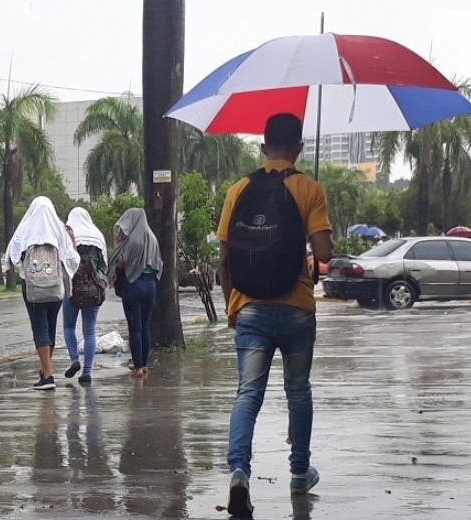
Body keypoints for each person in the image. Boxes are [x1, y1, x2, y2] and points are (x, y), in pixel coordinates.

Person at [216, 113, 333, 517]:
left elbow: (224, 259)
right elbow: (324, 254)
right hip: (297, 307)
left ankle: (238, 473)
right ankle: (299, 473)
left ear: (264, 147)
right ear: (299, 147)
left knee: (248, 393)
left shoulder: (239, 189)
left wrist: (235, 306)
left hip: (249, 308)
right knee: (298, 391)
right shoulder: (308, 188)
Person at [6, 196, 79, 391]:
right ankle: (45, 369)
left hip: (33, 288)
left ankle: (48, 375)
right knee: (50, 327)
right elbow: (73, 258)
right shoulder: (58, 229)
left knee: (39, 327)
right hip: (55, 288)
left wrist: (21, 265)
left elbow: (12, 254)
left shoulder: (25, 228)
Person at [107, 208, 162, 379]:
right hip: (150, 285)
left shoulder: (132, 241)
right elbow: (159, 263)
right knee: (145, 326)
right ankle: (144, 365)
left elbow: (120, 262)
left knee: (135, 328)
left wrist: (116, 243)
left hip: (134, 285)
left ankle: (137, 367)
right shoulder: (152, 238)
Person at [62, 207, 108, 385]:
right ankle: (87, 371)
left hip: (72, 289)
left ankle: (75, 360)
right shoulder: (97, 237)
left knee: (68, 327)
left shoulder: (67, 235)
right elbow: (104, 265)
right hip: (93, 290)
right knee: (89, 332)